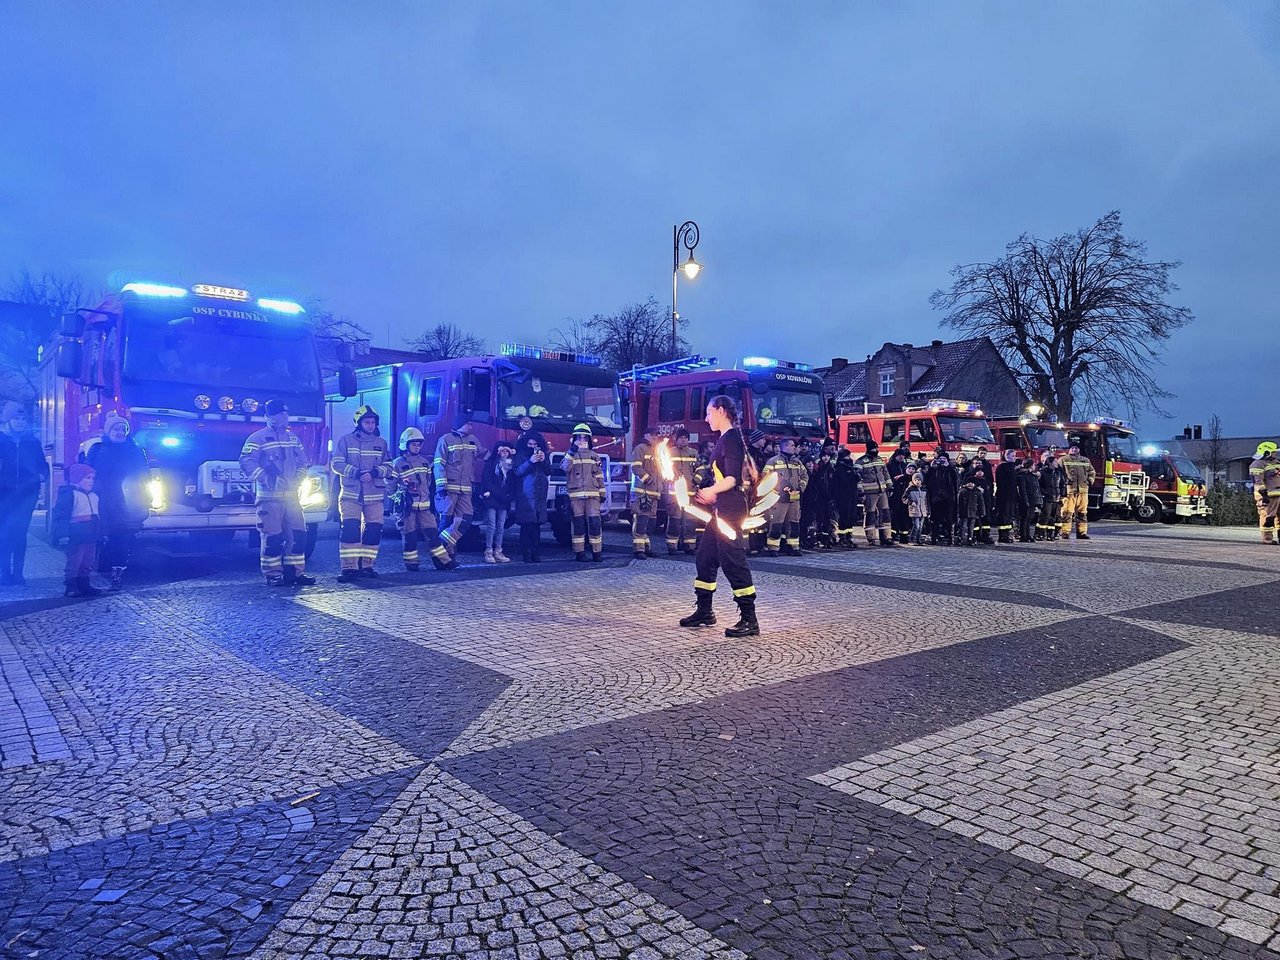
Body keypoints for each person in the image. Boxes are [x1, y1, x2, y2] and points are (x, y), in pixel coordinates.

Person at [679, 395, 760, 638]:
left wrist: (712, 490)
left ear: (721, 410)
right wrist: (711, 493)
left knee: (732, 561)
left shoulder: (731, 438)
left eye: (709, 412)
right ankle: (705, 611)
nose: (706, 418)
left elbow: (732, 479)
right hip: (721, 509)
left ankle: (749, 619)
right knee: (705, 558)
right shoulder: (725, 439)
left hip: (731, 509)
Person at [239, 399, 317, 587]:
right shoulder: (257, 438)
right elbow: (246, 461)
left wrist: (298, 479)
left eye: (285, 413)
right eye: (280, 413)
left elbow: (302, 463)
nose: (284, 417)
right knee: (272, 538)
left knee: (298, 536)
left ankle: (295, 573)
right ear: (269, 416)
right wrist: (267, 479)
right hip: (269, 498)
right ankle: (273, 575)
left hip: (292, 498)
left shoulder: (293, 438)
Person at [85, 412, 150, 590]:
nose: (120, 432)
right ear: (108, 430)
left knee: (121, 538)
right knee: (97, 536)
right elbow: (86, 472)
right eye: (116, 429)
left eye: (123, 429)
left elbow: (145, 476)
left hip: (126, 501)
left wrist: (145, 500)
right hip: (101, 500)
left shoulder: (136, 451)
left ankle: (117, 576)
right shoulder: (97, 449)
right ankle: (86, 575)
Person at [332, 404, 392, 581]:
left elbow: (389, 466)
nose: (371, 425)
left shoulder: (381, 443)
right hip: (351, 495)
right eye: (367, 422)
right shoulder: (346, 440)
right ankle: (349, 568)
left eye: (373, 422)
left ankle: (367, 566)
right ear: (359, 423)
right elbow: (336, 464)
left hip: (374, 495)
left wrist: (375, 472)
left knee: (373, 530)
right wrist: (356, 472)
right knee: (350, 530)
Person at [391, 427, 454, 571]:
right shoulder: (397, 464)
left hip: (424, 507)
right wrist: (398, 498)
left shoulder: (425, 462)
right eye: (413, 444)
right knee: (410, 537)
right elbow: (390, 485)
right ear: (405, 445)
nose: (416, 447)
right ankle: (412, 563)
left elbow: (428, 482)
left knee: (433, 534)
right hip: (407, 508)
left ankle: (444, 561)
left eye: (419, 445)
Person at [0, 401, 45, 585]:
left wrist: (41, 476)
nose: (20, 422)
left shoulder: (32, 442)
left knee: (20, 533)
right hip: (4, 495)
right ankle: (4, 573)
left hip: (27, 495)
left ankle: (18, 572)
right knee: (4, 532)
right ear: (8, 420)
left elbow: (42, 464)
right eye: (16, 418)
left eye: (23, 419)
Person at [433, 414, 487, 558]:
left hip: (466, 489)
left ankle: (440, 544)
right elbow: (439, 464)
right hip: (448, 489)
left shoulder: (472, 439)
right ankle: (445, 556)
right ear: (460, 424)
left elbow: (484, 454)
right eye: (468, 424)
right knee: (446, 520)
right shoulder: (445, 439)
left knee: (465, 519)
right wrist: (441, 485)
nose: (471, 426)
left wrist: (501, 452)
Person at [51, 463, 102, 597]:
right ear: (77, 479)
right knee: (75, 561)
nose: (91, 481)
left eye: (93, 478)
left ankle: (84, 584)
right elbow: (61, 516)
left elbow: (100, 516)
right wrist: (63, 534)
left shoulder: (94, 496)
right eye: (87, 478)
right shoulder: (69, 495)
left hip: (91, 534)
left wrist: (102, 532)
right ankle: (71, 586)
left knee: (88, 561)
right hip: (76, 535)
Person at [563, 423, 606, 562]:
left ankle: (597, 553)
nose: (582, 440)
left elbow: (599, 476)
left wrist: (602, 493)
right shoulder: (570, 454)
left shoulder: (594, 456)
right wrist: (572, 451)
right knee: (578, 525)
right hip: (576, 497)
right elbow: (565, 467)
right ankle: (579, 553)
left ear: (589, 439)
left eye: (585, 437)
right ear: (574, 438)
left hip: (593, 496)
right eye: (579, 437)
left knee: (595, 524)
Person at [763, 437, 807, 556]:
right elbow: (765, 477)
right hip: (779, 498)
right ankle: (773, 548)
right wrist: (778, 488)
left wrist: (800, 487)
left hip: (794, 498)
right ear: (786, 446)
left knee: (794, 522)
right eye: (792, 445)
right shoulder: (773, 461)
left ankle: (793, 546)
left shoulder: (797, 462)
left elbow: (804, 476)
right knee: (776, 522)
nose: (794, 448)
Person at [513, 423, 550, 562]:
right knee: (526, 525)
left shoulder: (543, 454)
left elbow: (548, 471)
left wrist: (543, 461)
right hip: (526, 494)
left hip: (540, 494)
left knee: (536, 525)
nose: (533, 446)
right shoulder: (520, 455)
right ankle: (526, 553)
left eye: (535, 444)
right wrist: (530, 461)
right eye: (530, 444)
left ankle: (536, 552)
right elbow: (517, 472)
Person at [478, 440, 517, 563]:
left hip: (504, 500)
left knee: (500, 526)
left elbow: (513, 484)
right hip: (493, 498)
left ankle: (498, 551)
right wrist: (499, 494)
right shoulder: (491, 464)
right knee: (491, 525)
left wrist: (509, 496)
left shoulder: (512, 467)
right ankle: (488, 551)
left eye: (507, 451)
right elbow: (487, 480)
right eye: (502, 451)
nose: (504, 453)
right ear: (498, 451)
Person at [855, 441, 895, 547]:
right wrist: (860, 492)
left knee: (885, 514)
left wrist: (890, 487)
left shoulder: (879, 460)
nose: (876, 450)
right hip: (869, 493)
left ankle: (886, 537)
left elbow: (886, 474)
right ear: (869, 449)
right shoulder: (860, 461)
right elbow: (857, 478)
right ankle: (871, 538)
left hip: (882, 491)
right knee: (870, 514)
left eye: (877, 448)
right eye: (874, 448)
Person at [665, 428, 698, 554]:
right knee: (675, 520)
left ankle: (689, 546)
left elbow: (700, 468)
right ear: (676, 439)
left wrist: (696, 481)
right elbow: (664, 469)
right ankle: (672, 546)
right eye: (681, 438)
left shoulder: (693, 453)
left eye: (685, 438)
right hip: (674, 493)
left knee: (690, 521)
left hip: (690, 493)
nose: (683, 440)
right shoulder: (669, 452)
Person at [629, 428, 660, 558]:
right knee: (641, 521)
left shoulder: (658, 451)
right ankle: (639, 549)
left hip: (654, 492)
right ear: (645, 435)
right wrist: (647, 479)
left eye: (656, 434)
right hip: (643, 492)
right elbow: (636, 467)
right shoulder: (640, 448)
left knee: (651, 523)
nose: (655, 437)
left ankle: (647, 547)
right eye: (652, 434)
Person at [1058, 442, 1096, 540]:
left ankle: (1082, 533)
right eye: (1072, 448)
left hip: (1083, 490)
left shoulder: (1085, 460)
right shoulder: (1063, 460)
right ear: (1069, 449)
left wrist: (1089, 481)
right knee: (1067, 512)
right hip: (1069, 491)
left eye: (1076, 448)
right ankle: (1065, 532)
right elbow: (1059, 473)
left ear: (1079, 449)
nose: (1074, 449)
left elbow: (1092, 472)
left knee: (1082, 513)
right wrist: (1064, 482)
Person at [1249, 441, 1280, 545]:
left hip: (1278, 494)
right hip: (1267, 495)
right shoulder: (1257, 464)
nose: (1275, 454)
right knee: (1268, 517)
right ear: (1267, 452)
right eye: (1273, 452)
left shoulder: (1276, 462)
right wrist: (1263, 494)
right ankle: (1267, 538)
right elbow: (1257, 481)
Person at [925, 453, 958, 545]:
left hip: (948, 498)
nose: (942, 460)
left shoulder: (951, 470)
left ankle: (950, 539)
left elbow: (955, 480)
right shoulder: (934, 469)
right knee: (935, 519)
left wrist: (949, 467)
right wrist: (931, 468)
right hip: (936, 498)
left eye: (944, 458)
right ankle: (934, 538)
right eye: (940, 458)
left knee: (949, 519)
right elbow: (926, 480)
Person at [833, 447, 861, 549]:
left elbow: (856, 479)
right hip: (843, 496)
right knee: (844, 516)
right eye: (848, 456)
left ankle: (849, 536)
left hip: (852, 495)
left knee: (851, 516)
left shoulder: (851, 467)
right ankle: (842, 537)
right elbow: (841, 481)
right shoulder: (839, 468)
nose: (849, 457)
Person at [994, 450, 1020, 544]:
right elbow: (1001, 483)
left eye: (1014, 455)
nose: (1014, 457)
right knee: (1004, 516)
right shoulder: (1002, 467)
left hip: (1011, 496)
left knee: (1009, 516)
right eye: (1013, 456)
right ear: (1006, 456)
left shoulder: (1012, 467)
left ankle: (1007, 534)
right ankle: (1002, 536)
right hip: (1004, 496)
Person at [1015, 456, 1043, 543]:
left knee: (1029, 518)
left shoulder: (1032, 476)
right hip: (1026, 500)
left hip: (1032, 500)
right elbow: (1023, 490)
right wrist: (1025, 501)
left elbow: (1036, 488)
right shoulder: (1022, 476)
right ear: (1030, 465)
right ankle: (1023, 535)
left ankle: (1028, 535)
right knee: (1024, 518)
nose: (1035, 466)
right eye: (1033, 465)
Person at [1038, 452, 1066, 541]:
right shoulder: (1043, 472)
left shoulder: (1058, 473)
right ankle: (1039, 534)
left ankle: (1050, 535)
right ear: (1050, 463)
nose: (1057, 463)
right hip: (1047, 498)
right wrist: (1045, 493)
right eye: (1055, 462)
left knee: (1053, 517)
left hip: (1056, 498)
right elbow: (1039, 486)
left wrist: (1062, 495)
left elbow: (1062, 484)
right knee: (1045, 516)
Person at [889, 461, 913, 544]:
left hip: (907, 504)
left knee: (905, 520)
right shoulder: (899, 478)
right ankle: (893, 535)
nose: (910, 470)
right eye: (909, 468)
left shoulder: (914, 480)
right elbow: (893, 490)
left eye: (913, 469)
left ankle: (904, 537)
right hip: (897, 502)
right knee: (895, 519)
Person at [904, 471, 930, 545]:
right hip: (914, 510)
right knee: (916, 525)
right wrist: (910, 502)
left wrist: (928, 511)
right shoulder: (910, 489)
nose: (917, 482)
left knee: (920, 526)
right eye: (915, 480)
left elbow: (927, 501)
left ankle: (918, 540)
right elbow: (904, 498)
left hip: (923, 510)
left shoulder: (924, 489)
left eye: (919, 480)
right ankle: (912, 540)